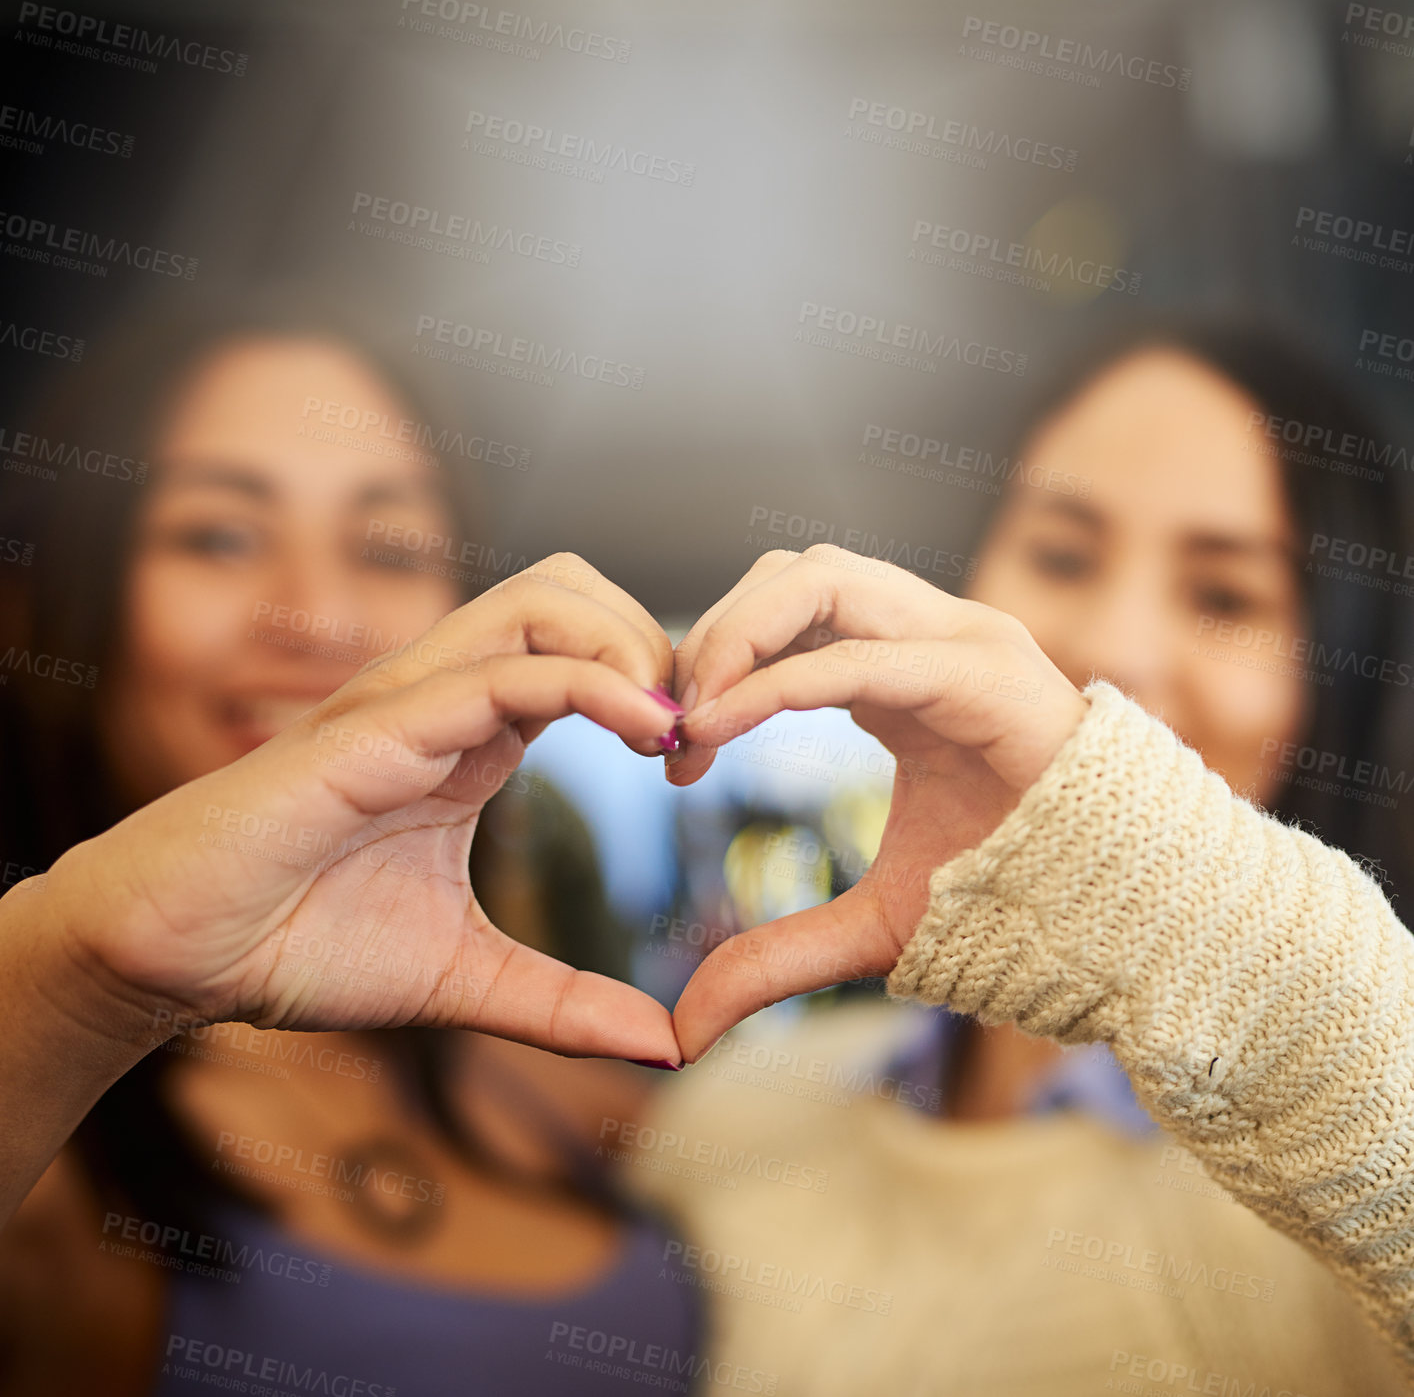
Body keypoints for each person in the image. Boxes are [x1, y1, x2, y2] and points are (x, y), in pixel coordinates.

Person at [635, 322, 1414, 1393]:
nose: (1119, 651)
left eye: (1224, 595)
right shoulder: (748, 1111)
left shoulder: (1346, 1240)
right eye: (1061, 554)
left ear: (1336, 685)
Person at [0, 293, 703, 1396]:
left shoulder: (569, 1091)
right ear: (52, 606)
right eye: (219, 534)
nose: (315, 619)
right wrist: (78, 971)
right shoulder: (44, 1120)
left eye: (386, 546)